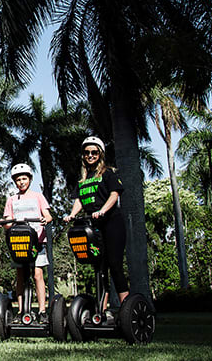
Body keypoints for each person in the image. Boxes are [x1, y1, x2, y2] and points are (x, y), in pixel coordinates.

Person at [64, 136, 129, 318]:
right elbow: (79, 200)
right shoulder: (83, 180)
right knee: (99, 268)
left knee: (114, 265)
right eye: (87, 153)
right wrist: (72, 215)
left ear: (100, 154)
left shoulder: (108, 173)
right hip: (94, 228)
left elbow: (114, 195)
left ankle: (126, 309)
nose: (90, 155)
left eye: (94, 152)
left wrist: (102, 210)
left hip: (112, 224)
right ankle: (102, 311)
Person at [1, 163, 53, 323]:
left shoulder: (38, 196)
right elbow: (7, 221)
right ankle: (22, 310)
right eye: (18, 180)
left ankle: (42, 310)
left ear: (29, 179)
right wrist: (6, 222)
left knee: (38, 275)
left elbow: (48, 215)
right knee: (20, 275)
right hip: (19, 243)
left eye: (24, 178)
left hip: (36, 242)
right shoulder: (11, 199)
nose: (21, 182)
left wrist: (46, 219)